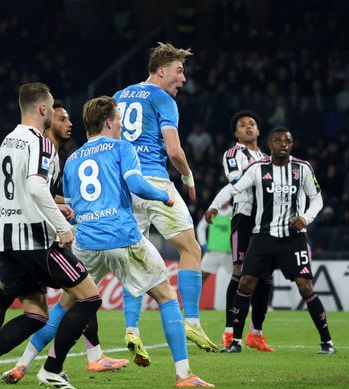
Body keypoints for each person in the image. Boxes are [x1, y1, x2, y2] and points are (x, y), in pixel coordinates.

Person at [0, 83, 102, 389]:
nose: (53, 112)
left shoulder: (8, 140)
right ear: (43, 109)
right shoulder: (40, 141)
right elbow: (37, 187)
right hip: (35, 240)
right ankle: (52, 369)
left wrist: (54, 206)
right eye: (52, 108)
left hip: (7, 238)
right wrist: (61, 227)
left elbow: (20, 190)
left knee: (36, 314)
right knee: (89, 297)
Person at [64, 96, 214, 387]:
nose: (122, 124)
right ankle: (184, 373)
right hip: (121, 235)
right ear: (109, 121)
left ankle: (29, 364)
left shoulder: (72, 159)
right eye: (118, 119)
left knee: (66, 304)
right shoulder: (122, 147)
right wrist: (164, 196)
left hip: (86, 240)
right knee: (167, 296)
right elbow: (136, 184)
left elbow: (70, 209)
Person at [1, 101, 128, 384]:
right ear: (48, 123)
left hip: (63, 235)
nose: (69, 124)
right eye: (62, 119)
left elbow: (52, 195)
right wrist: (61, 221)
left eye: (70, 119)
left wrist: (63, 208)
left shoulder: (64, 156)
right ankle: (83, 358)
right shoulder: (46, 151)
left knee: (73, 302)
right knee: (80, 299)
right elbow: (37, 193)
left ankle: (24, 364)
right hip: (57, 237)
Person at [113, 42, 218, 354]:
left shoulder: (119, 96)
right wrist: (188, 176)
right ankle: (193, 321)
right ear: (161, 71)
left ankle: (132, 329)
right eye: (179, 71)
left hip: (123, 183)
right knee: (190, 249)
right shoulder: (163, 99)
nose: (183, 79)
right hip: (153, 180)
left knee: (134, 256)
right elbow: (173, 150)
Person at [206, 128, 335, 354]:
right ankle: (235, 341)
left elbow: (316, 199)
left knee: (305, 286)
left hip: (293, 238)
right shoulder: (257, 168)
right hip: (263, 236)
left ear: (292, 145)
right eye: (278, 141)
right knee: (245, 282)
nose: (283, 144)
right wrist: (214, 206)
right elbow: (233, 188)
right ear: (270, 144)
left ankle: (327, 342)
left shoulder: (303, 168)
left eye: (287, 141)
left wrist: (305, 218)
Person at [220, 110, 273, 352]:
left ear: (259, 130)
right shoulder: (233, 154)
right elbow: (236, 180)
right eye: (242, 125)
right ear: (236, 133)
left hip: (266, 219)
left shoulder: (267, 157)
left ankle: (256, 334)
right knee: (240, 271)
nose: (248, 127)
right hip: (244, 215)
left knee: (265, 274)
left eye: (252, 124)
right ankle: (230, 332)